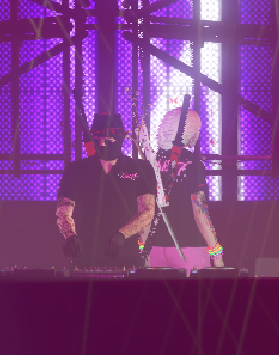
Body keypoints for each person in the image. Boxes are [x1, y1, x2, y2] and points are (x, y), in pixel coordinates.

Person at [57, 112, 156, 269]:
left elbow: (148, 210)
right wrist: (69, 235)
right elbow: (63, 210)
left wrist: (123, 234)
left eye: (108, 141)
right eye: (98, 140)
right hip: (86, 254)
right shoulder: (76, 169)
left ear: (121, 138)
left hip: (126, 254)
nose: (102, 145)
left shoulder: (141, 168)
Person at [147, 107, 224, 273]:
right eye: (196, 129)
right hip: (189, 249)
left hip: (154, 249)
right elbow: (201, 215)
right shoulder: (193, 165)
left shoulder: (150, 164)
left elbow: (145, 210)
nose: (198, 134)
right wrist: (217, 255)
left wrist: (142, 249)